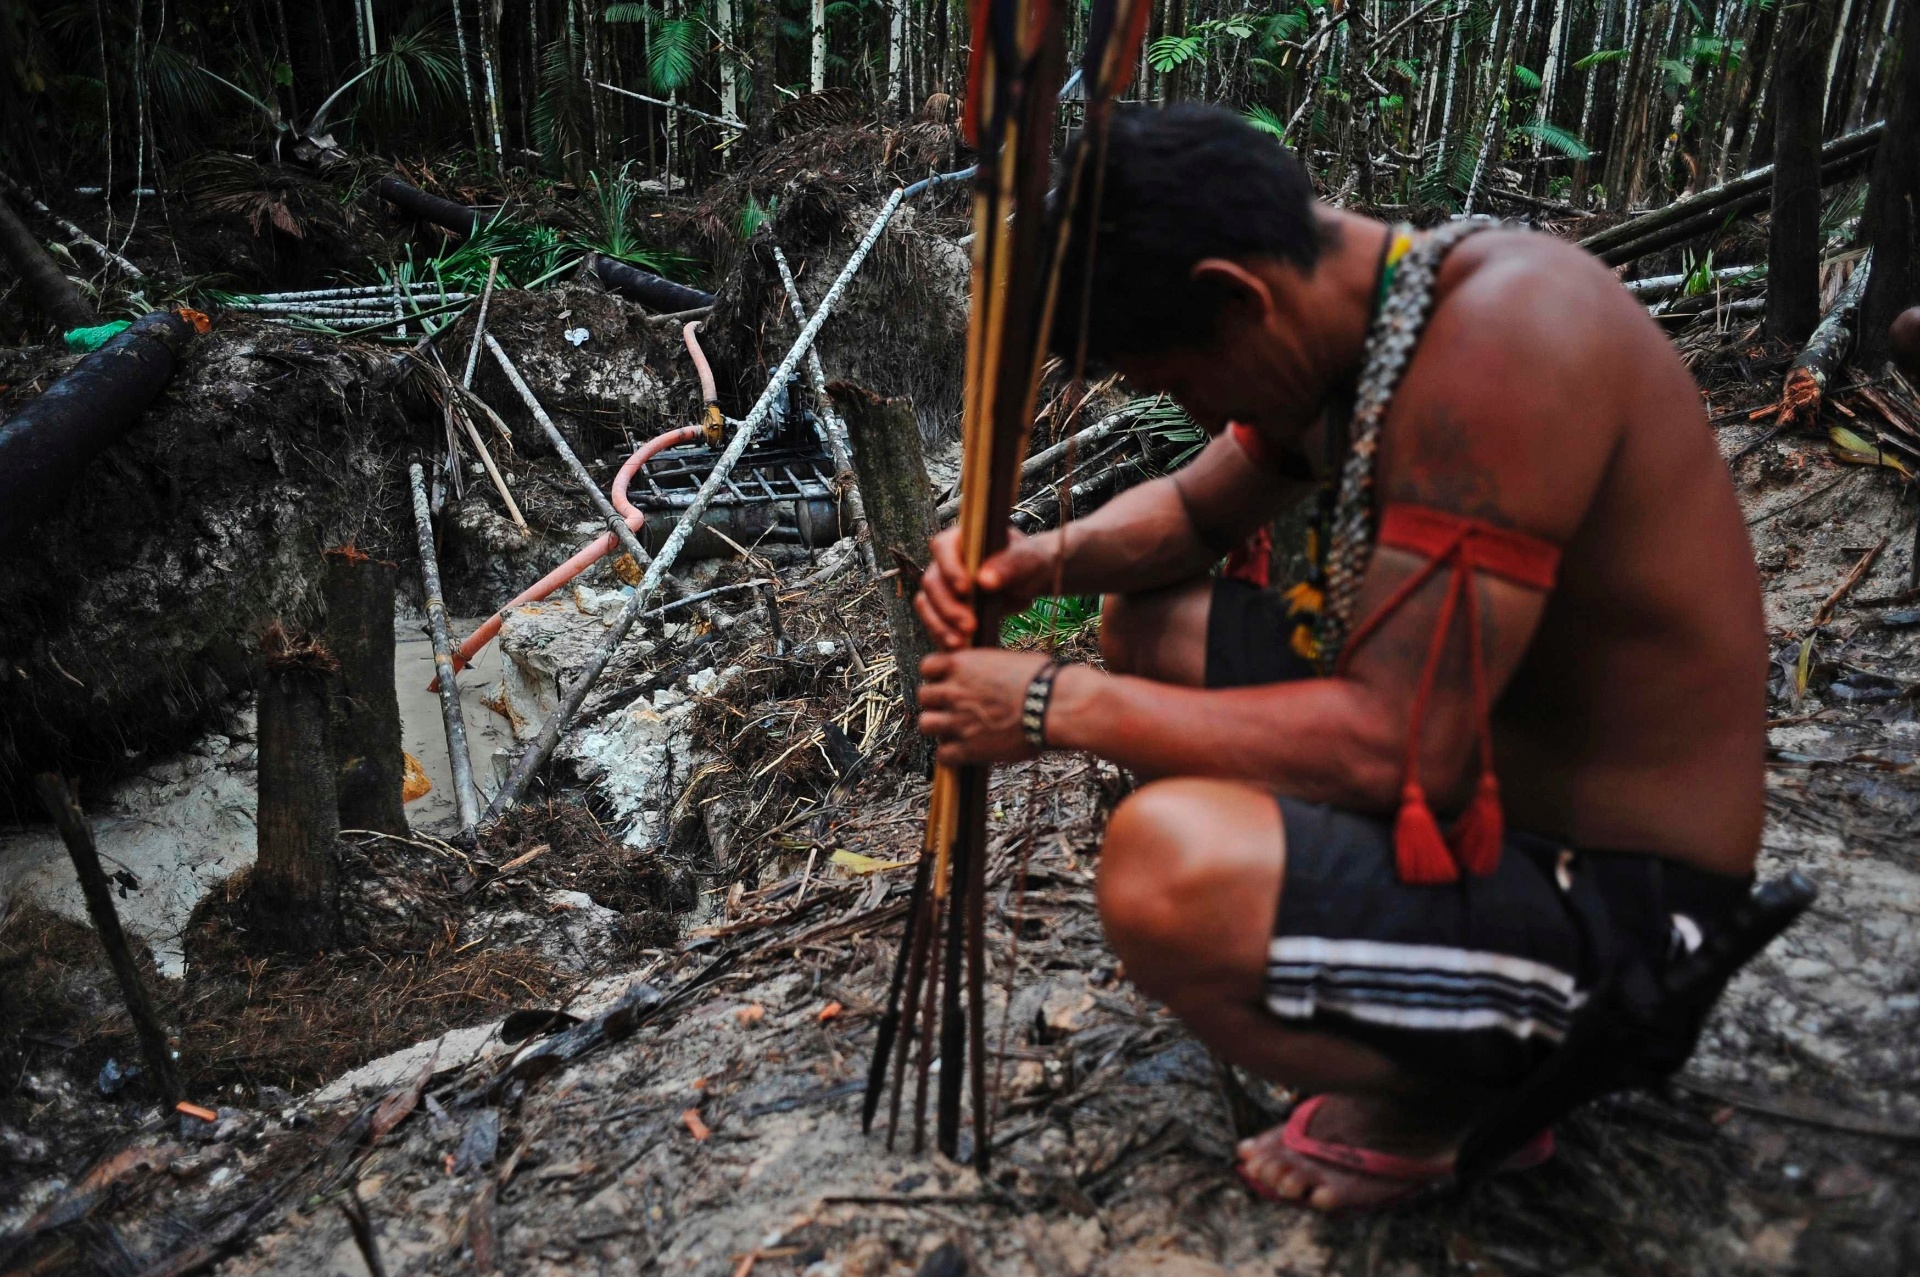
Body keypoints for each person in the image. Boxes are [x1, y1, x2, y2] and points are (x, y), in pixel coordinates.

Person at [911, 105, 1767, 1212]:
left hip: (1627, 923)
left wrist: (1047, 705)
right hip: (1484, 799)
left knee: (1163, 871)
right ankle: (1389, 968)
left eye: (1179, 381)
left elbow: (1389, 744)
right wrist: (1039, 558)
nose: (1194, 411)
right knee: (1150, 621)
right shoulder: (1377, 320)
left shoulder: (1502, 349)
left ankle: (1446, 1095)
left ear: (1241, 296)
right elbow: (1185, 517)